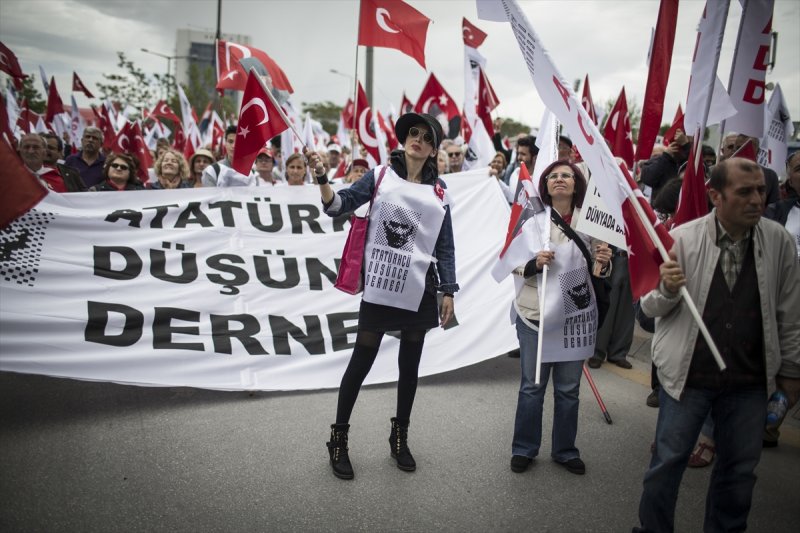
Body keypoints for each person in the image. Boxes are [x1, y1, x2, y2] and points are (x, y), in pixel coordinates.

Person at [633, 157, 800, 533]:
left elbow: (790, 313)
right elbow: (649, 307)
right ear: (715, 196)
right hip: (688, 377)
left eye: (760, 190)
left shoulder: (779, 242)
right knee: (666, 466)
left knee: (738, 475)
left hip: (750, 383)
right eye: (744, 192)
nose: (757, 199)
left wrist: (791, 373)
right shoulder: (682, 239)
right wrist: (668, 288)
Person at [310, 112, 458, 480]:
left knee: (410, 365)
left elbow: (446, 247)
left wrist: (448, 290)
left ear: (433, 149)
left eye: (426, 136)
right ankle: (339, 438)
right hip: (380, 285)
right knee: (361, 360)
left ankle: (399, 436)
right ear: (404, 139)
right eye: (413, 133)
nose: (418, 139)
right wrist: (321, 179)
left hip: (420, 286)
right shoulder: (379, 176)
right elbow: (337, 206)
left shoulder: (440, 192)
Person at [509, 159, 611, 476]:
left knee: (568, 390)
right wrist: (532, 263)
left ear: (577, 183)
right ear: (546, 185)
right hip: (535, 316)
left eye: (566, 175)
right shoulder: (532, 220)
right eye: (553, 176)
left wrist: (603, 263)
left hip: (574, 319)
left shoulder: (593, 222)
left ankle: (565, 450)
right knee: (532, 388)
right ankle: (524, 448)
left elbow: (600, 271)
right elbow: (509, 260)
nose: (560, 179)